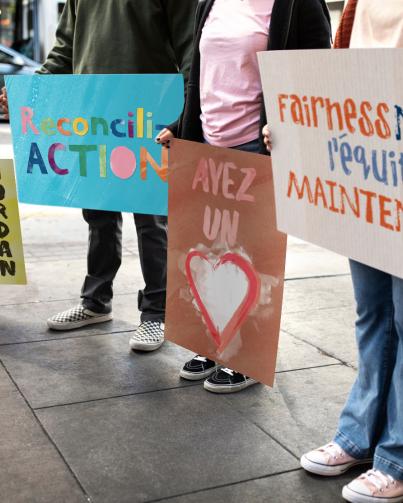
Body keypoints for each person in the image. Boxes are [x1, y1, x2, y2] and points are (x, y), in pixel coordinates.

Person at [264, 1, 403, 501]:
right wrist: (294, 124)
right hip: (369, 179)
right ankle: (360, 436)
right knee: (373, 315)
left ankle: (397, 455)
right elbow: (339, 86)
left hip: (390, 176)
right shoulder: (357, 5)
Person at [1, 0, 197, 351]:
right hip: (93, 113)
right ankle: (95, 302)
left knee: (152, 219)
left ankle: (156, 313)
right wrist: (29, 95)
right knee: (98, 213)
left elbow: (190, 49)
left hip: (149, 111)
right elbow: (64, 50)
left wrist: (184, 115)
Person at [157, 0, 332, 393]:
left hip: (257, 147)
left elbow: (320, 71)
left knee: (251, 257)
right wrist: (180, 128)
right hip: (207, 146)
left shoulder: (295, 4)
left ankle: (245, 357)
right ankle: (212, 344)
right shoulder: (211, 2)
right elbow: (202, 77)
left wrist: (289, 124)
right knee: (211, 249)